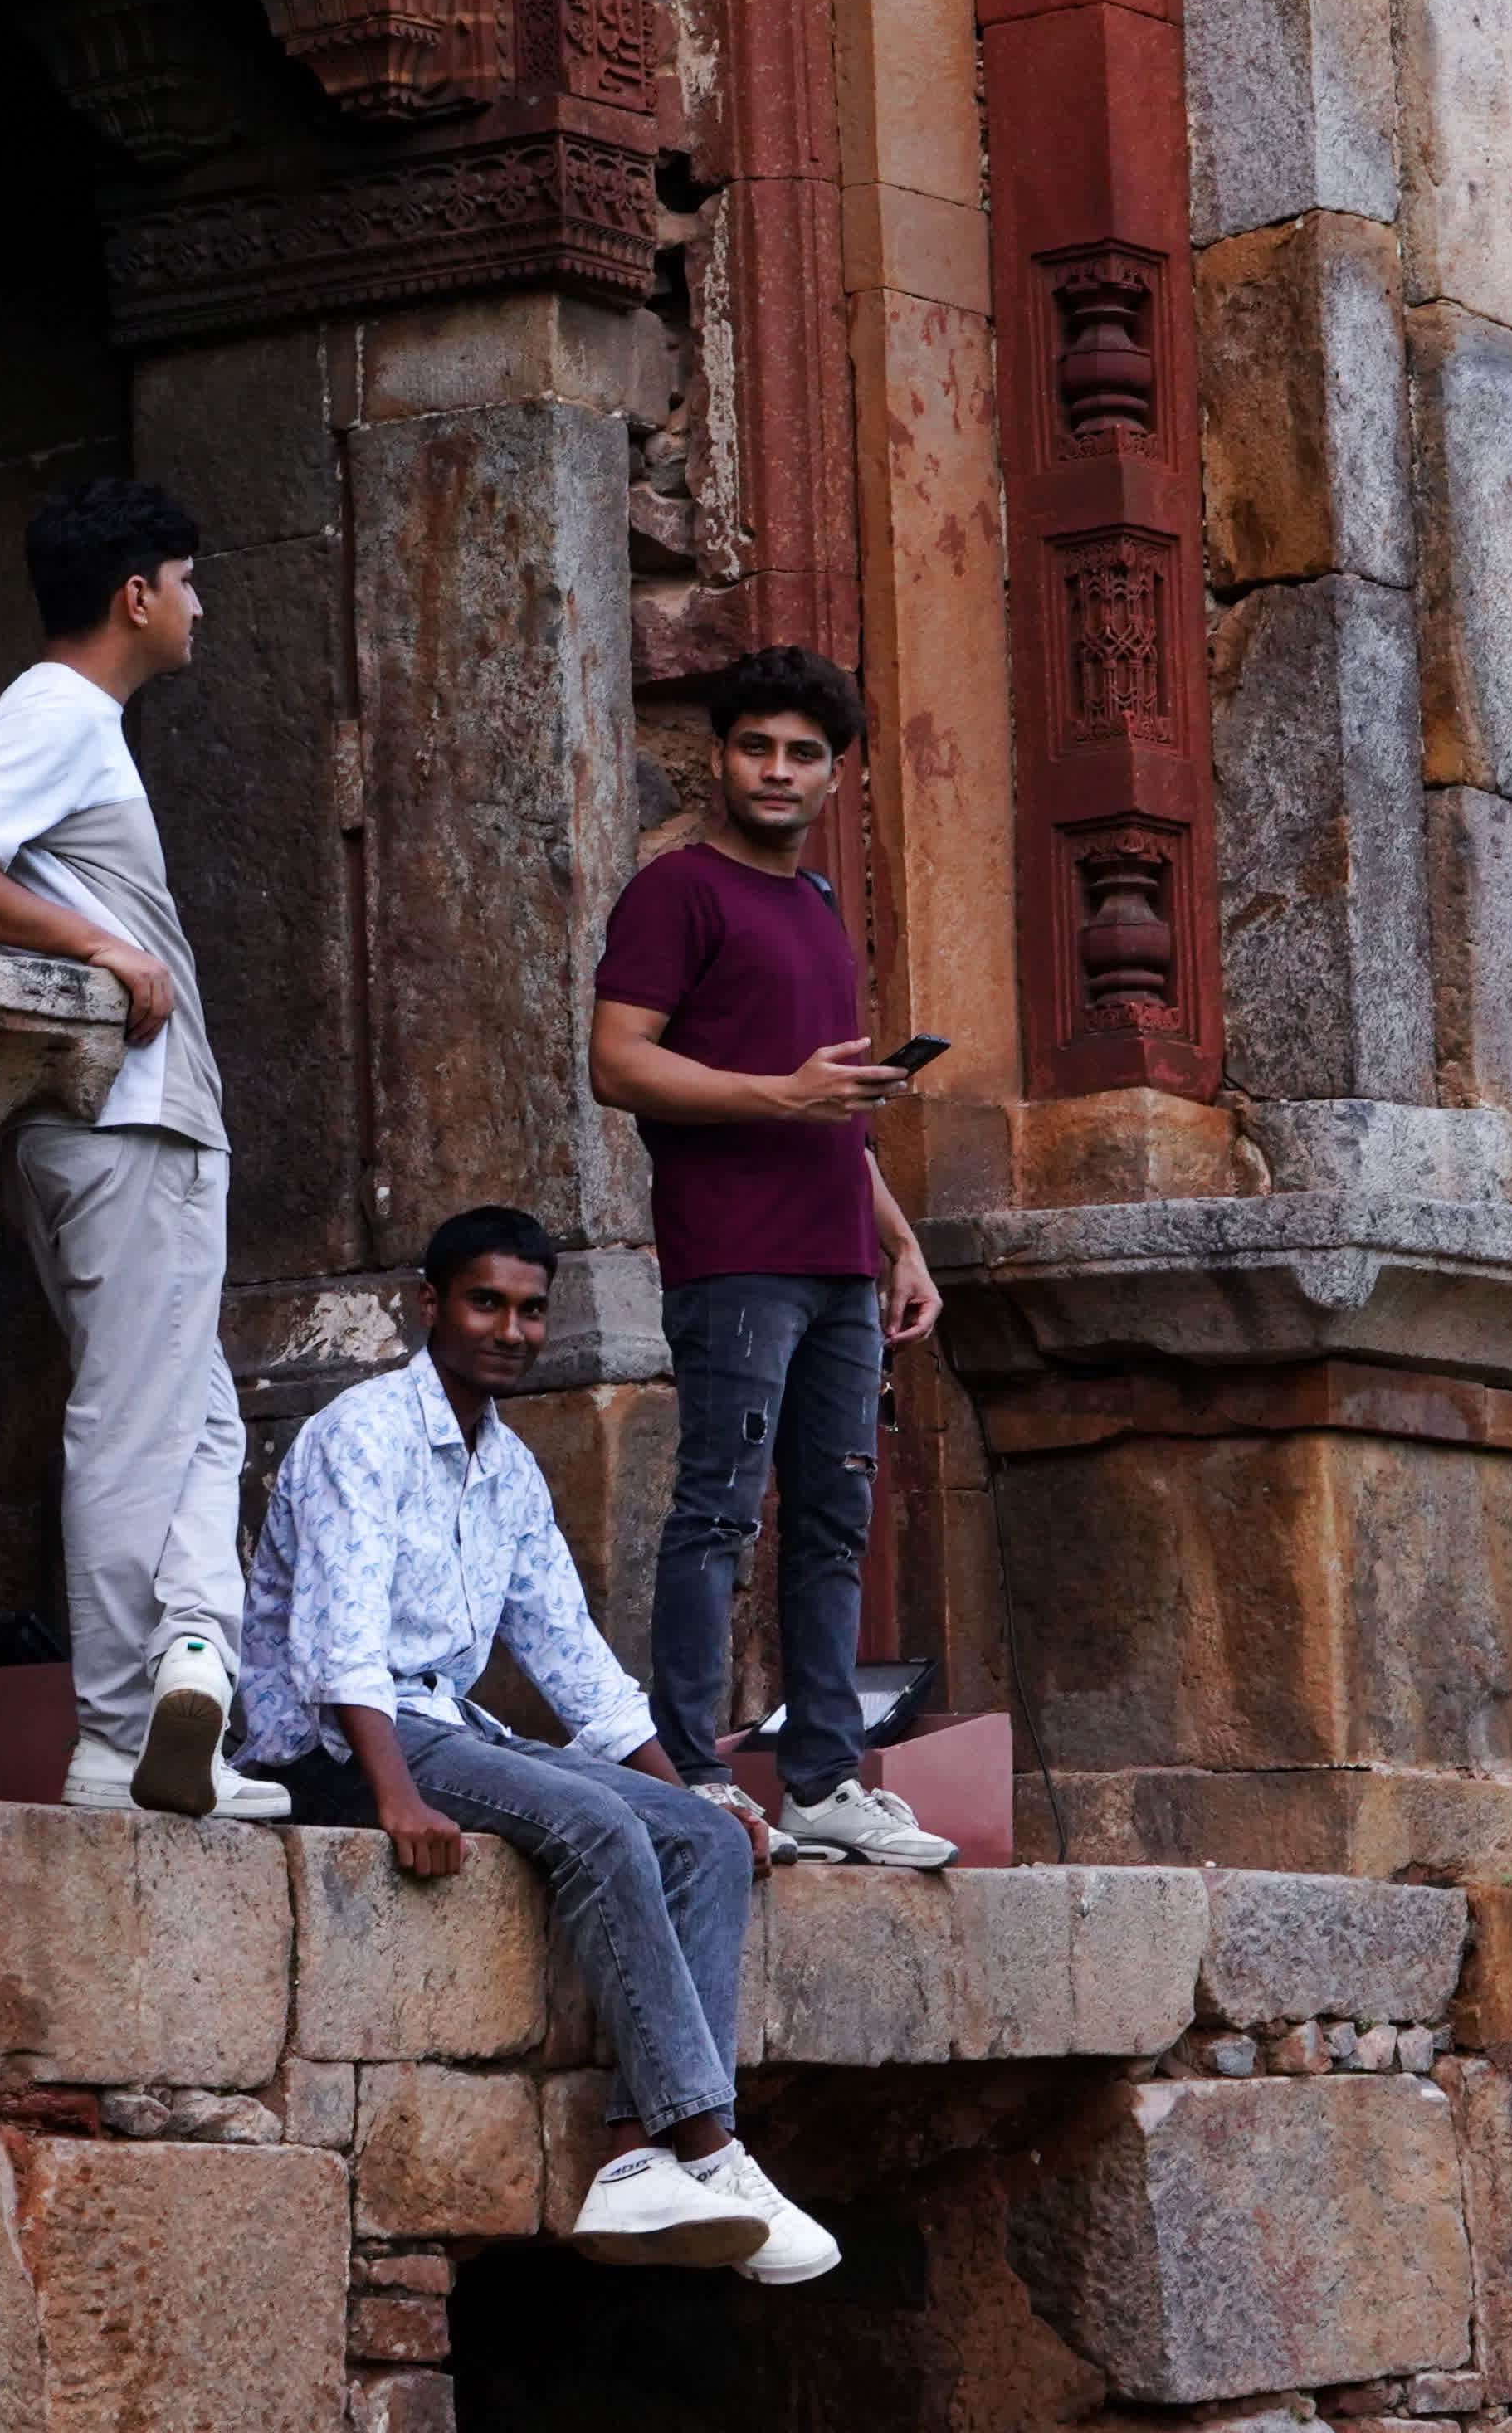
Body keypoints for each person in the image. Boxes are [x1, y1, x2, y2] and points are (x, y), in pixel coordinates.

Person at [244, 1208, 841, 2282]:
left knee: (696, 1842)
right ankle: (712, 2146)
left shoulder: (509, 1470)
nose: (510, 1331)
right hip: (339, 1747)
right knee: (597, 1821)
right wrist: (394, 1799)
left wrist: (697, 1796)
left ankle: (632, 2157)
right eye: (485, 1303)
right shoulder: (361, 1434)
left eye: (529, 1311)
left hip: (450, 1729)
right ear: (431, 1306)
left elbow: (577, 1667)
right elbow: (339, 1653)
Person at [0, 480, 285, 1823]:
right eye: (185, 578)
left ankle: (193, 1671)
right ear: (135, 595)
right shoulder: (61, 709)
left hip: (120, 1126)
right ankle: (122, 1733)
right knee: (134, 1419)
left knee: (200, 1419)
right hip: (131, 1123)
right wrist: (98, 947)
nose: (198, 603)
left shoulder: (73, 719)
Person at [588, 644, 958, 1870]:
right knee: (717, 1513)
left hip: (839, 1263)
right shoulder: (675, 892)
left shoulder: (812, 909)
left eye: (805, 753)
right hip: (735, 1261)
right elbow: (617, 1061)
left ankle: (820, 1781)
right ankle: (695, 1771)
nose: (779, 770)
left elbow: (832, 1108)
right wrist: (782, 1096)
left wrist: (898, 1242)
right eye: (757, 747)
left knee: (834, 1525)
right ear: (718, 756)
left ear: (838, 777)